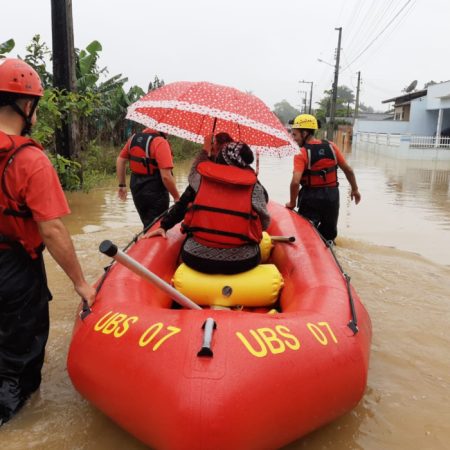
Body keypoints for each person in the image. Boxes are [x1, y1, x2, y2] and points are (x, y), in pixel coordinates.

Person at [0, 58, 96, 425]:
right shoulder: (31, 161)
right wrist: (81, 284)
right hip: (17, 272)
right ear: (27, 106)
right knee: (17, 366)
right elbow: (52, 231)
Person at [146, 141, 270, 274]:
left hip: (196, 258)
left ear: (221, 159)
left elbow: (181, 206)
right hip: (242, 262)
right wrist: (253, 177)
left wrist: (163, 226)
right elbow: (264, 224)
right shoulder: (254, 187)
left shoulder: (200, 179)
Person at [285, 114, 361, 242]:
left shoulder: (301, 153)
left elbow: (295, 182)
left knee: (307, 233)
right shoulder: (332, 146)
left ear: (305, 133)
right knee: (329, 235)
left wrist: (292, 203)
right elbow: (348, 170)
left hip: (311, 197)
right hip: (332, 197)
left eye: (295, 135)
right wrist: (355, 189)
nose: (293, 138)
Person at [116, 128, 180, 229]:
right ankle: (152, 241)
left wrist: (122, 185)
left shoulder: (133, 138)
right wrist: (176, 197)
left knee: (147, 221)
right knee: (157, 225)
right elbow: (166, 177)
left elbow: (120, 160)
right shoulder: (160, 142)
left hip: (136, 187)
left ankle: (147, 237)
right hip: (155, 189)